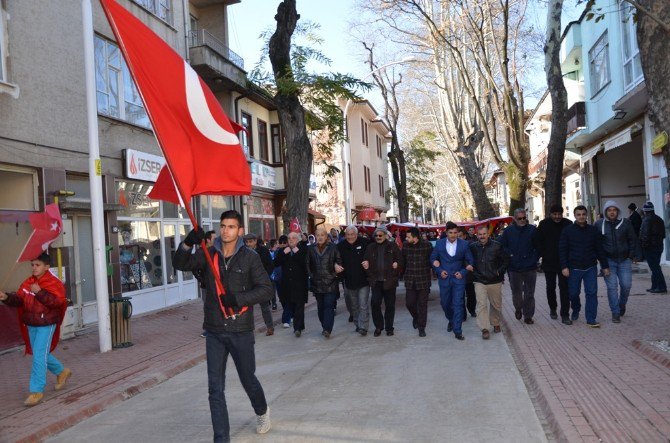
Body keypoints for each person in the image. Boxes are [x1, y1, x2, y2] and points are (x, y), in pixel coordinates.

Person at [173, 210, 272, 441]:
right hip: (215, 331)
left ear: (239, 231)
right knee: (215, 389)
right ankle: (221, 438)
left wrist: (238, 299)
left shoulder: (250, 257)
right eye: (223, 226)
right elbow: (180, 263)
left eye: (231, 226)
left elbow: (267, 289)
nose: (225, 230)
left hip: (241, 330)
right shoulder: (208, 254)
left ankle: (262, 411)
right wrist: (188, 242)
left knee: (248, 379)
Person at [0, 253, 71, 406]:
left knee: (39, 356)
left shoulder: (54, 283)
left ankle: (36, 391)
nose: (34, 268)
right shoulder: (28, 282)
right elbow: (19, 300)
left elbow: (56, 303)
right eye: (32, 265)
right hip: (31, 324)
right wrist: (6, 297)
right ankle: (61, 372)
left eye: (37, 265)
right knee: (40, 354)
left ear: (46, 267)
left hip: (46, 324)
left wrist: (39, 292)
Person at [559, 205, 610, 328]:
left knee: (591, 293)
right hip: (574, 268)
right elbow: (562, 249)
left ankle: (591, 318)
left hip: (590, 267)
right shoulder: (568, 230)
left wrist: (605, 266)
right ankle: (576, 308)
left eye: (583, 214)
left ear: (586, 215)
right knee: (573, 294)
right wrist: (564, 266)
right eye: (578, 214)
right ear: (575, 216)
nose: (581, 216)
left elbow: (599, 249)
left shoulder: (593, 230)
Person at [594, 200, 640, 322]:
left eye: (614, 210)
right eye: (609, 210)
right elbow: (595, 243)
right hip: (608, 261)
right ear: (605, 212)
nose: (612, 212)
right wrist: (600, 260)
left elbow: (632, 239)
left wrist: (631, 256)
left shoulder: (625, 223)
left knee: (626, 285)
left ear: (618, 211)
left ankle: (622, 304)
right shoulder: (599, 224)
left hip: (624, 260)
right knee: (612, 287)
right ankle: (615, 312)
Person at [430, 221, 474, 340]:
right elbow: (433, 258)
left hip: (458, 279)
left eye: (455, 232)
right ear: (446, 232)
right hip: (444, 278)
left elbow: (470, 261)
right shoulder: (439, 244)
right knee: (445, 303)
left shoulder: (464, 244)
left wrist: (463, 272)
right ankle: (451, 319)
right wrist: (439, 270)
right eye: (451, 232)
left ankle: (458, 330)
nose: (453, 235)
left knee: (458, 303)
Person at [499, 208, 539, 324]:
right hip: (514, 268)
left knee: (529, 293)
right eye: (519, 218)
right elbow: (502, 246)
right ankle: (518, 308)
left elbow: (538, 246)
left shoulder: (532, 229)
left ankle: (528, 315)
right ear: (515, 219)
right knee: (517, 293)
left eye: (524, 218)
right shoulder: (508, 231)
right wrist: (510, 255)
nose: (522, 220)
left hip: (530, 267)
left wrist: (534, 259)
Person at [534, 205, 573, 324]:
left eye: (559, 214)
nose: (557, 217)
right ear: (550, 214)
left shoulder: (568, 224)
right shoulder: (543, 224)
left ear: (562, 213)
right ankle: (553, 308)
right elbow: (538, 241)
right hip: (549, 262)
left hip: (564, 263)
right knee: (550, 287)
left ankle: (565, 314)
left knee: (564, 288)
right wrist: (543, 254)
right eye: (554, 214)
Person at [469, 225, 510, 339]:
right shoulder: (472, 247)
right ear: (477, 235)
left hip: (494, 280)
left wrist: (499, 272)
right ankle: (484, 328)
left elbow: (506, 260)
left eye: (484, 234)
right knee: (481, 305)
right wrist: (472, 271)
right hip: (479, 280)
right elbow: (468, 260)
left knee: (496, 305)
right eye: (480, 234)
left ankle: (495, 323)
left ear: (488, 234)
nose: (482, 236)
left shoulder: (497, 246)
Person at [362, 227, 402, 337]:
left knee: (390, 306)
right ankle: (378, 326)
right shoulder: (370, 247)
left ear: (385, 235)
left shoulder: (392, 246)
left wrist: (397, 266)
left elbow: (400, 260)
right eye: (376, 235)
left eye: (380, 235)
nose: (378, 237)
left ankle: (389, 328)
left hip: (390, 281)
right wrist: (369, 275)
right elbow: (365, 262)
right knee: (375, 304)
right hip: (376, 282)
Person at [307, 227, 343, 338]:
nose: (320, 237)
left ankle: (327, 329)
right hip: (317, 283)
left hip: (331, 282)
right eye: (318, 235)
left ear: (326, 237)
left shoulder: (333, 247)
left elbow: (339, 260)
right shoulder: (311, 249)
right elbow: (307, 264)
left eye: (322, 235)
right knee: (320, 308)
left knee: (329, 306)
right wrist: (312, 276)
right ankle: (324, 326)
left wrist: (336, 270)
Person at [273, 232, 309, 336]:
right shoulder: (283, 251)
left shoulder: (303, 249)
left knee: (299, 306)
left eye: (293, 238)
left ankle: (297, 328)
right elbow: (276, 263)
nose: (291, 240)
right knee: (291, 305)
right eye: (289, 238)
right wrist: (284, 253)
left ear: (298, 240)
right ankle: (300, 325)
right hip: (287, 284)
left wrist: (296, 252)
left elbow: (305, 264)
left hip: (300, 283)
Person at [337, 225, 371, 336]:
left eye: (352, 234)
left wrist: (369, 262)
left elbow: (372, 255)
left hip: (363, 280)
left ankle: (364, 327)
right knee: (354, 305)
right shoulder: (340, 246)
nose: (350, 237)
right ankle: (357, 324)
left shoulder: (365, 242)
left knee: (363, 304)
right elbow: (335, 259)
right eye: (348, 234)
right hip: (349, 280)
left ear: (356, 234)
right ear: (345, 235)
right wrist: (336, 266)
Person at [402, 227, 433, 337]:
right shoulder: (405, 245)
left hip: (423, 280)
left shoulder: (427, 245)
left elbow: (432, 260)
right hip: (410, 279)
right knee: (409, 303)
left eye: (408, 237)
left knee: (422, 304)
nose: (406, 238)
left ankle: (421, 327)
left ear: (415, 237)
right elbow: (403, 261)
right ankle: (416, 317)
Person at [243, 233, 276, 336]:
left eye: (250, 242)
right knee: (248, 308)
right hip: (249, 283)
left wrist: (265, 278)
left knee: (265, 306)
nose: (248, 244)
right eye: (247, 242)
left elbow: (270, 265)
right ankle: (248, 330)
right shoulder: (243, 253)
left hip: (261, 283)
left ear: (255, 241)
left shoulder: (263, 250)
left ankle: (270, 327)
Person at [639, 201, 667, 294]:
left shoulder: (647, 220)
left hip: (650, 248)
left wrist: (644, 246)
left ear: (645, 211)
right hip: (659, 246)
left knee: (655, 268)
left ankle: (661, 287)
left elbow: (645, 235)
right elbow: (663, 235)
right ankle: (654, 286)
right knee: (655, 267)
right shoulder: (659, 219)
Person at [197, 230, 217, 338]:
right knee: (208, 307)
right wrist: (202, 279)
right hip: (206, 286)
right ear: (208, 240)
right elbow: (195, 268)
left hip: (217, 285)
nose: (216, 240)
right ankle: (208, 329)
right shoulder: (201, 253)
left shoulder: (217, 251)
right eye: (214, 238)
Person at [458, 228, 477, 319]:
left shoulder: (470, 245)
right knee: (460, 296)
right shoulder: (453, 246)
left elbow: (473, 259)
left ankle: (472, 310)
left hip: (469, 275)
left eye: (460, 236)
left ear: (465, 236)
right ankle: (463, 314)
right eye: (457, 236)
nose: (458, 238)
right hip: (458, 275)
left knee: (471, 295)